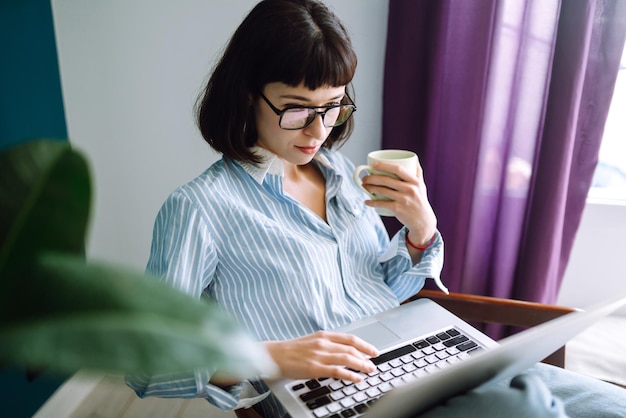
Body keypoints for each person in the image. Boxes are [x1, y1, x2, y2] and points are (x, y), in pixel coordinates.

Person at [127, 1, 626, 417]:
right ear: (246, 96)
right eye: (297, 107)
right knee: (528, 408)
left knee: (602, 406)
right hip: (332, 396)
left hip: (409, 363)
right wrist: (272, 356)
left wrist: (420, 230)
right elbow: (144, 363)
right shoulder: (199, 208)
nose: (318, 130)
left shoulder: (339, 172)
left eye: (333, 105)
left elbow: (379, 291)